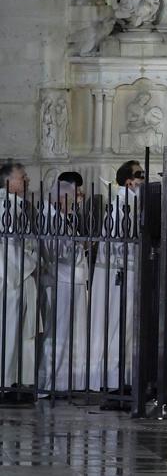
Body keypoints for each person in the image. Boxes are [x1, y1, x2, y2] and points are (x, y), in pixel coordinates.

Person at [88, 160, 144, 396]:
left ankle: (124, 377)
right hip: (118, 274)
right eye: (139, 175)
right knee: (116, 325)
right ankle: (112, 379)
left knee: (128, 328)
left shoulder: (132, 203)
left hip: (129, 272)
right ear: (129, 181)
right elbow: (115, 245)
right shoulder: (120, 206)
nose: (143, 179)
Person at [39, 171, 88, 393]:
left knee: (71, 335)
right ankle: (50, 384)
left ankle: (67, 382)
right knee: (57, 334)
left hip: (73, 280)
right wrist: (78, 245)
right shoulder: (49, 216)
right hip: (61, 280)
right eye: (76, 193)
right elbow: (55, 250)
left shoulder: (64, 216)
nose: (79, 197)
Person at [1, 160, 36, 396]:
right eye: (21, 176)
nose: (26, 180)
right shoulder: (5, 206)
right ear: (7, 181)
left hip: (19, 274)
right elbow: (11, 247)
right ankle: (5, 381)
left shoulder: (18, 205)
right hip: (11, 275)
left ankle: (12, 380)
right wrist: (32, 261)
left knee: (17, 332)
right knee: (8, 329)